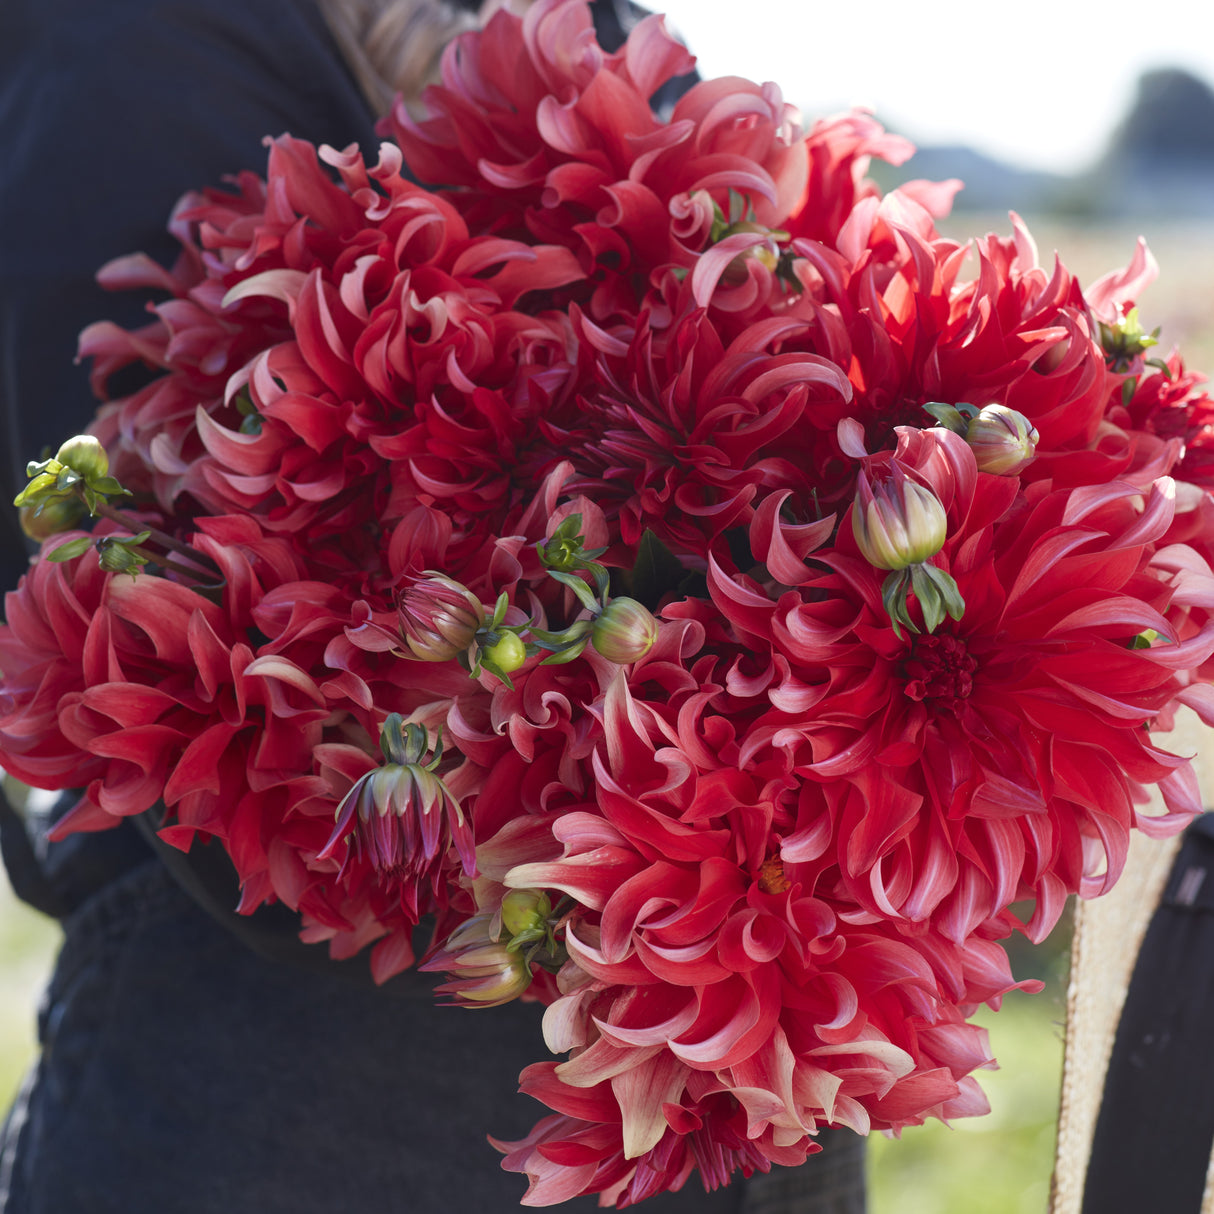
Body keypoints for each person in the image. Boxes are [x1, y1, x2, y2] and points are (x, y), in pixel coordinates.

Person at [0, 2, 867, 1210]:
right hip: (308, 1077)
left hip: (746, 1016)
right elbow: (134, 542)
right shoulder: (136, 43)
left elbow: (755, 276)